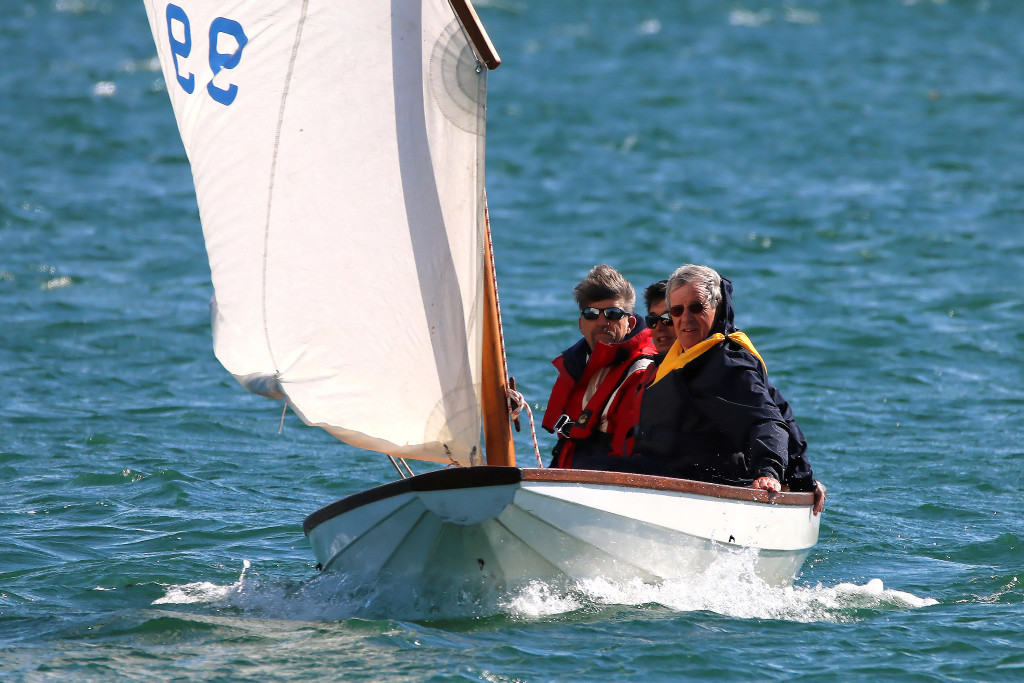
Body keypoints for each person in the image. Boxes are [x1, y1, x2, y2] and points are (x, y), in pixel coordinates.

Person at [630, 264, 825, 513]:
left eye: (697, 308)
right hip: (667, 476)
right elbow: (780, 407)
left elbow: (769, 421)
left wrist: (770, 472)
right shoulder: (680, 356)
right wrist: (804, 478)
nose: (685, 318)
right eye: (677, 311)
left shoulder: (727, 362)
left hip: (707, 489)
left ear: (717, 305)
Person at [541, 265, 656, 469]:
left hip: (607, 482)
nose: (602, 321)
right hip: (569, 472)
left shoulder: (643, 372)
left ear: (629, 323)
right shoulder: (579, 365)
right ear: (581, 324)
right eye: (592, 313)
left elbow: (630, 456)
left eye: (613, 313)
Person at [643, 279, 676, 362]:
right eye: (652, 320)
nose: (659, 327)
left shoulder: (705, 369)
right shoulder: (650, 371)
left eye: (667, 318)